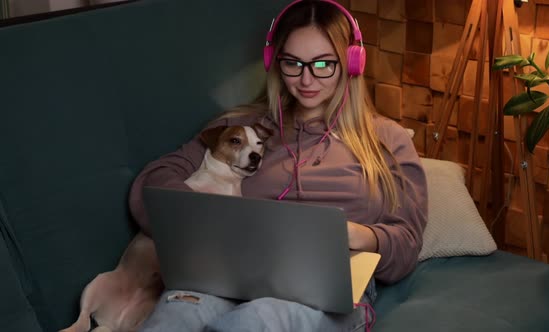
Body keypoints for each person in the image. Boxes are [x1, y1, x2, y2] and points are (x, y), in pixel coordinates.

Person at [129, 0, 428, 331]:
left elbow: (407, 243)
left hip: (327, 285)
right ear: (274, 61)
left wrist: (362, 235)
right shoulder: (241, 129)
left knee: (258, 319)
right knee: (178, 313)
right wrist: (194, 215)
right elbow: (152, 182)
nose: (306, 79)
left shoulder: (387, 139)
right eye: (293, 63)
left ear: (351, 63)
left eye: (323, 64)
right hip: (231, 272)